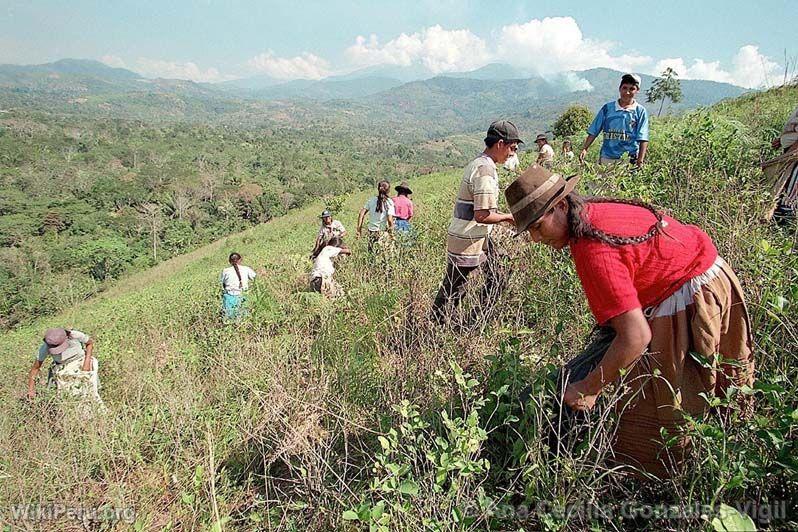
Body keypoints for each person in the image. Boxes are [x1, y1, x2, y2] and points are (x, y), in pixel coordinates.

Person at [504, 164, 755, 477]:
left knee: (660, 414)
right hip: (713, 277)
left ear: (562, 206)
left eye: (538, 226)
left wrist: (589, 388)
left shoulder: (592, 248)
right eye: (529, 231)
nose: (536, 238)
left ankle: (664, 478)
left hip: (690, 295)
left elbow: (636, 337)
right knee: (718, 392)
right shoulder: (593, 212)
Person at [431, 119, 521, 324]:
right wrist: (510, 218)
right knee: (455, 289)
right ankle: (442, 326)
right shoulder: (485, 171)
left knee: (497, 273)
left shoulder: (480, 164)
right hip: (468, 239)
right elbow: (483, 215)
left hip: (475, 236)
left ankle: (470, 322)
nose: (512, 154)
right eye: (512, 148)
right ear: (500, 144)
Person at [580, 73, 649, 168]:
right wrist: (585, 148)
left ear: (637, 91)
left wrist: (640, 161)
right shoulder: (608, 108)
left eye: (631, 89)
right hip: (607, 158)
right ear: (620, 88)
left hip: (629, 159)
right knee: (604, 182)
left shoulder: (640, 111)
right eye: (624, 88)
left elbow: (643, 138)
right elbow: (594, 130)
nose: (627, 92)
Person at [27, 327, 102, 404]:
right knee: (63, 397)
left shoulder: (74, 335)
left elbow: (89, 343)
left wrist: (86, 363)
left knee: (89, 389)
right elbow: (35, 368)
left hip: (80, 361)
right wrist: (31, 390)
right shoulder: (45, 347)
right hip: (61, 368)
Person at [768, 105, 798, 222]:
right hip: (791, 151)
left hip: (794, 154)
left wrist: (789, 155)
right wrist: (781, 140)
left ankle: (786, 217)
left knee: (791, 185)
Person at [357, 180, 395, 252]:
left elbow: (361, 213)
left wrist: (359, 230)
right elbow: (390, 219)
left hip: (371, 232)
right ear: (388, 190)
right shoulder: (389, 202)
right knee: (384, 255)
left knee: (371, 253)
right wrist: (392, 234)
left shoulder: (371, 200)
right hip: (382, 232)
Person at [220, 252, 257, 320]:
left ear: (229, 261)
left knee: (229, 319)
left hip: (229, 297)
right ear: (240, 260)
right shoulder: (246, 269)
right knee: (244, 318)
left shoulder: (225, 271)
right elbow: (255, 278)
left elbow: (223, 284)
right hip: (243, 295)